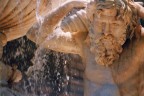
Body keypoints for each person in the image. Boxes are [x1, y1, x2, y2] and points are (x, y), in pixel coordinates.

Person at [26, 0, 144, 96]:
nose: (106, 32)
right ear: (92, 23)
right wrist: (69, 5)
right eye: (101, 23)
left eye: (114, 25)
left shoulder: (138, 44)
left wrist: (139, 10)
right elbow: (37, 35)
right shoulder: (86, 44)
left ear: (126, 25)